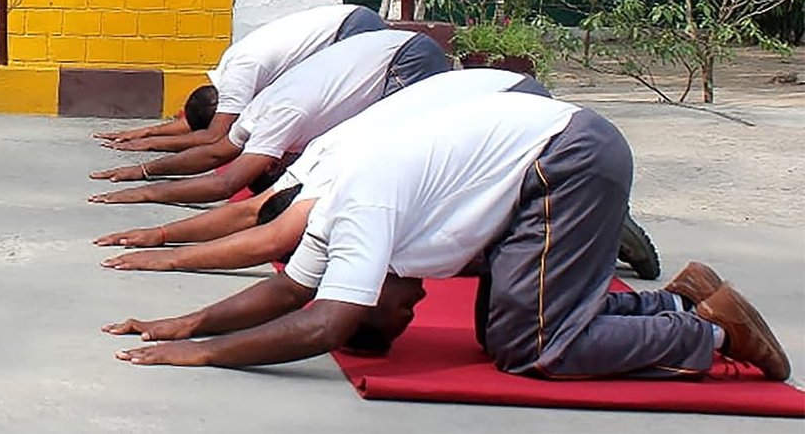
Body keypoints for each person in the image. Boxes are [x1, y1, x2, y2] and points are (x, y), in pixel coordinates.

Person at [105, 91, 791, 383]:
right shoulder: (336, 214)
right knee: (506, 331)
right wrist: (184, 324)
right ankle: (678, 304)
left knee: (536, 348)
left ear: (365, 284)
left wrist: (200, 355)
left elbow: (322, 321)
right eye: (404, 322)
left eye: (390, 320)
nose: (412, 310)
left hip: (568, 157)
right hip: (555, 158)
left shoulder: (362, 206)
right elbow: (287, 290)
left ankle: (714, 336)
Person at [96, 68, 548, 271]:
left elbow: (239, 196)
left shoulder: (337, 175)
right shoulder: (311, 164)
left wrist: (163, 244)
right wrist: (158, 233)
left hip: (511, 105)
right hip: (484, 93)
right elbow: (251, 211)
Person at [88, 29, 448, 205]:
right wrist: (142, 170)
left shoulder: (274, 117)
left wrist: (145, 189)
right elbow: (216, 152)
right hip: (389, 48)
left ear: (272, 165)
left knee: (391, 157)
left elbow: (224, 182)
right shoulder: (256, 114)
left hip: (401, 56)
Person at [93, 4, 386, 153]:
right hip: (348, 21)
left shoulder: (240, 77)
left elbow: (213, 136)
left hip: (351, 30)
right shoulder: (227, 74)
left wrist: (149, 147)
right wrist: (146, 132)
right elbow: (198, 123)